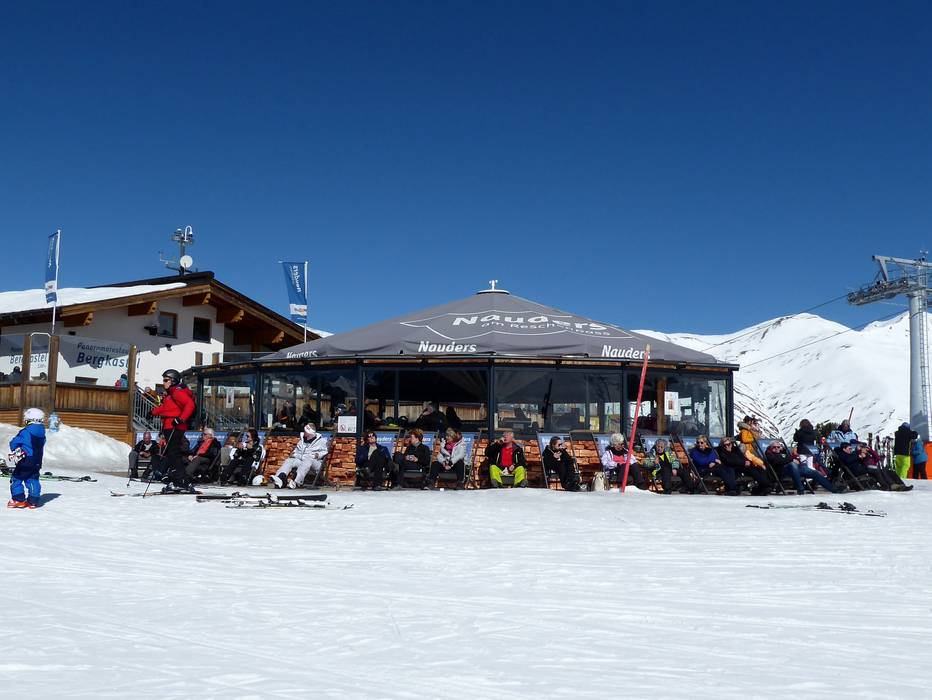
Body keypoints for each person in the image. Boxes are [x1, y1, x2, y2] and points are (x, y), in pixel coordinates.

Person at [151, 369, 196, 492]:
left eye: (166, 380)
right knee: (173, 454)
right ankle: (181, 481)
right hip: (170, 426)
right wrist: (152, 412)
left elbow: (190, 405)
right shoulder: (172, 393)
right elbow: (166, 407)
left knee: (174, 455)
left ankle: (180, 481)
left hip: (174, 427)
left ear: (173, 380)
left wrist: (181, 419)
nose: (163, 382)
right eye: (163, 380)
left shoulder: (177, 392)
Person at [764, 440, 841, 494]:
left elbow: (790, 457)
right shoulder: (768, 453)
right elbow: (776, 461)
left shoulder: (783, 452)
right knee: (792, 464)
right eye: (774, 447)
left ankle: (833, 489)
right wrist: (788, 459)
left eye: (778, 447)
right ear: (770, 447)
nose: (776, 448)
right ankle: (800, 488)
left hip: (794, 469)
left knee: (814, 472)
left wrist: (787, 458)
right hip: (782, 471)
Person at [6, 407, 46, 508]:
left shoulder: (25, 431)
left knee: (16, 478)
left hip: (26, 460)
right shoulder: (42, 432)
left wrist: (15, 448)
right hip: (37, 461)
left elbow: (14, 442)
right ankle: (33, 501)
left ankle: (18, 499)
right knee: (33, 479)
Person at [270, 423, 329, 488]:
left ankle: (296, 482)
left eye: (306, 431)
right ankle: (280, 478)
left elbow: (325, 451)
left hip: (315, 463)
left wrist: (318, 455)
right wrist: (294, 454)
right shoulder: (302, 440)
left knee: (308, 461)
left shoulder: (321, 441)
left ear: (310, 433)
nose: (304, 432)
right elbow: (297, 450)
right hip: (301, 460)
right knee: (289, 461)